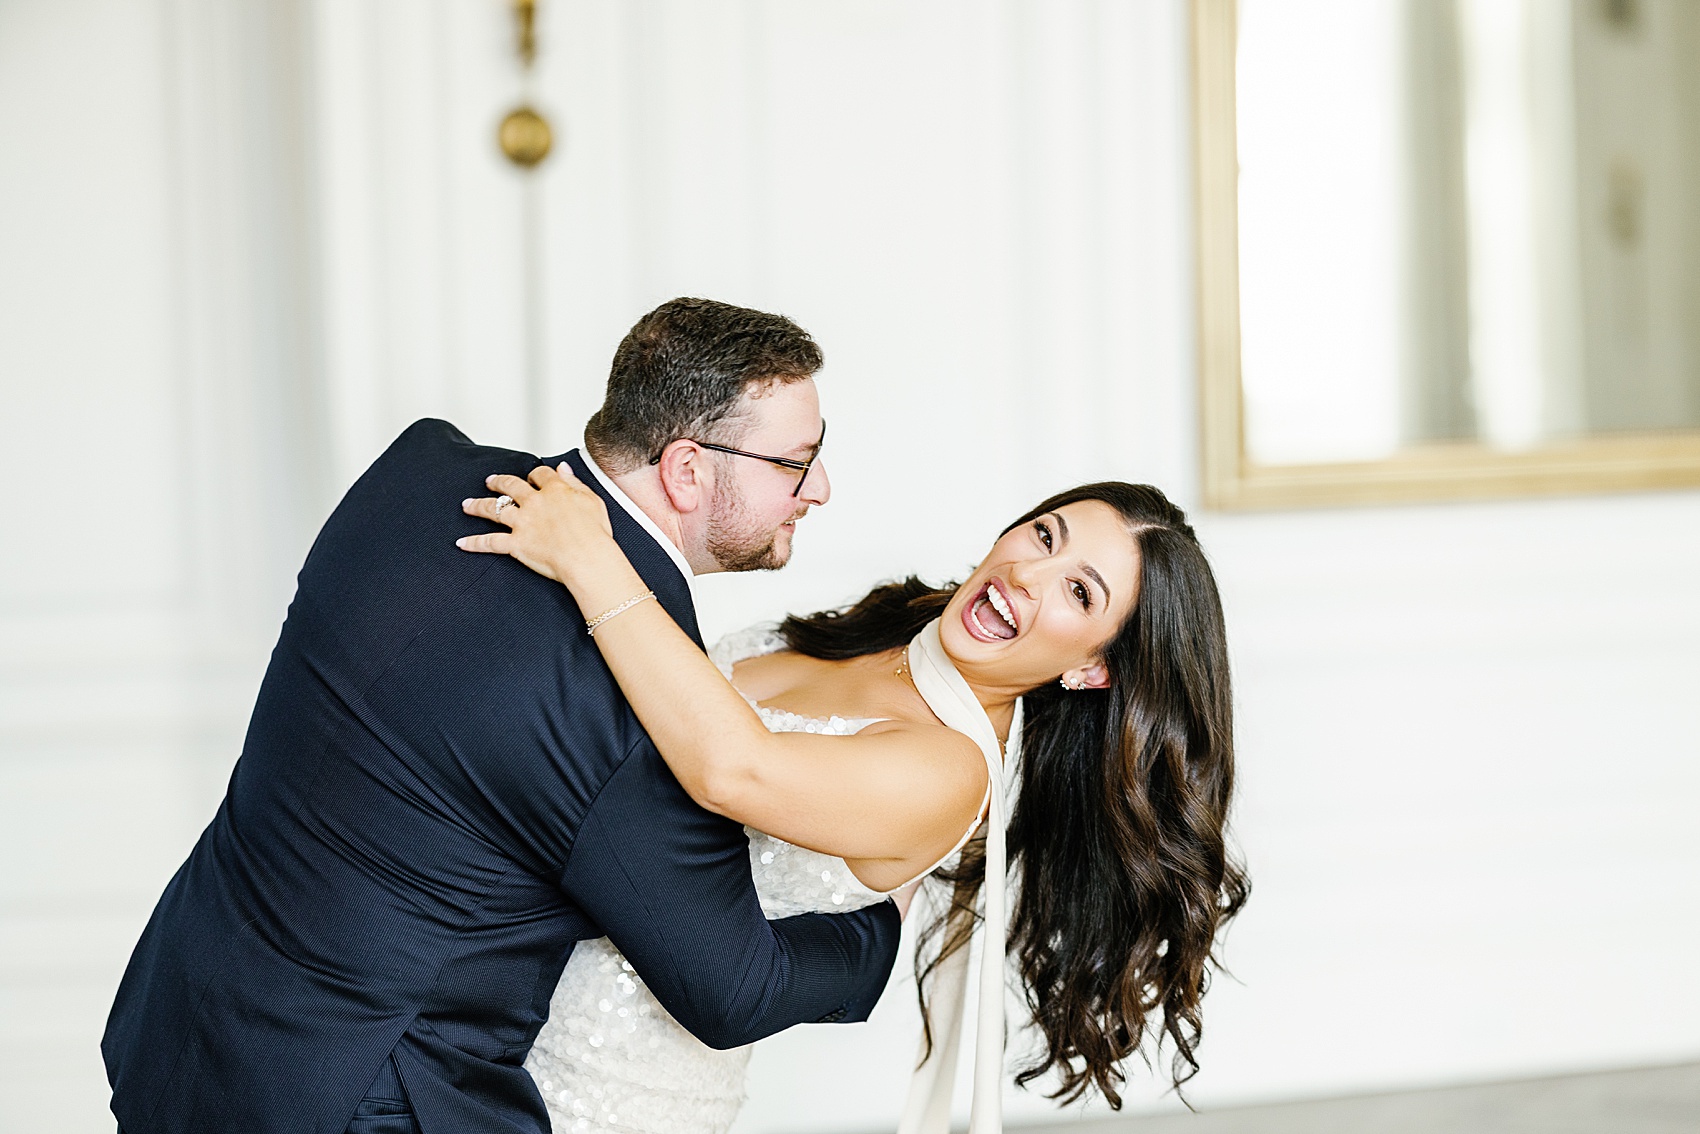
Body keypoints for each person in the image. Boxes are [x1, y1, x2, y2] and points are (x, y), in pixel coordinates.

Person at [101, 298, 905, 1134]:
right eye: (794, 463)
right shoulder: (643, 712)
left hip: (184, 1011)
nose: (818, 489)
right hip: (359, 1097)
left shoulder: (415, 472)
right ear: (689, 470)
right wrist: (886, 925)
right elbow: (735, 989)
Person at [459, 460, 1251, 1134]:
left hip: (600, 1090)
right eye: (1045, 536)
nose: (1027, 576)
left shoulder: (949, 769)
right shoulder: (900, 627)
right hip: (494, 1002)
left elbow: (733, 769)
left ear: (1092, 669)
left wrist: (589, 558)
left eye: (1079, 592)